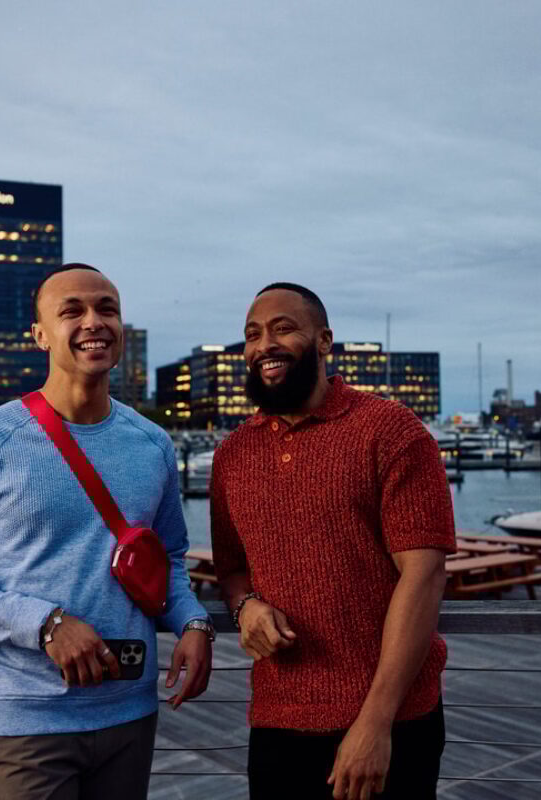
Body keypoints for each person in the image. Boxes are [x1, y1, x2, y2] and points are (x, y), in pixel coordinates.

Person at [0, 263, 213, 800]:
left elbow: (166, 556)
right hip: (26, 721)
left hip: (130, 711)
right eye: (71, 311)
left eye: (107, 309)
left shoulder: (152, 444)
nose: (93, 321)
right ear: (39, 335)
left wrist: (193, 623)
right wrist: (46, 624)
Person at [211, 282, 456, 800]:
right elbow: (231, 570)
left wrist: (374, 724)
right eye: (252, 335)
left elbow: (425, 574)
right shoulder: (233, 454)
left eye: (283, 328)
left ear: (324, 341)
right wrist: (245, 606)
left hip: (393, 723)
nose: (264, 346)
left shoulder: (391, 431)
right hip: (277, 723)